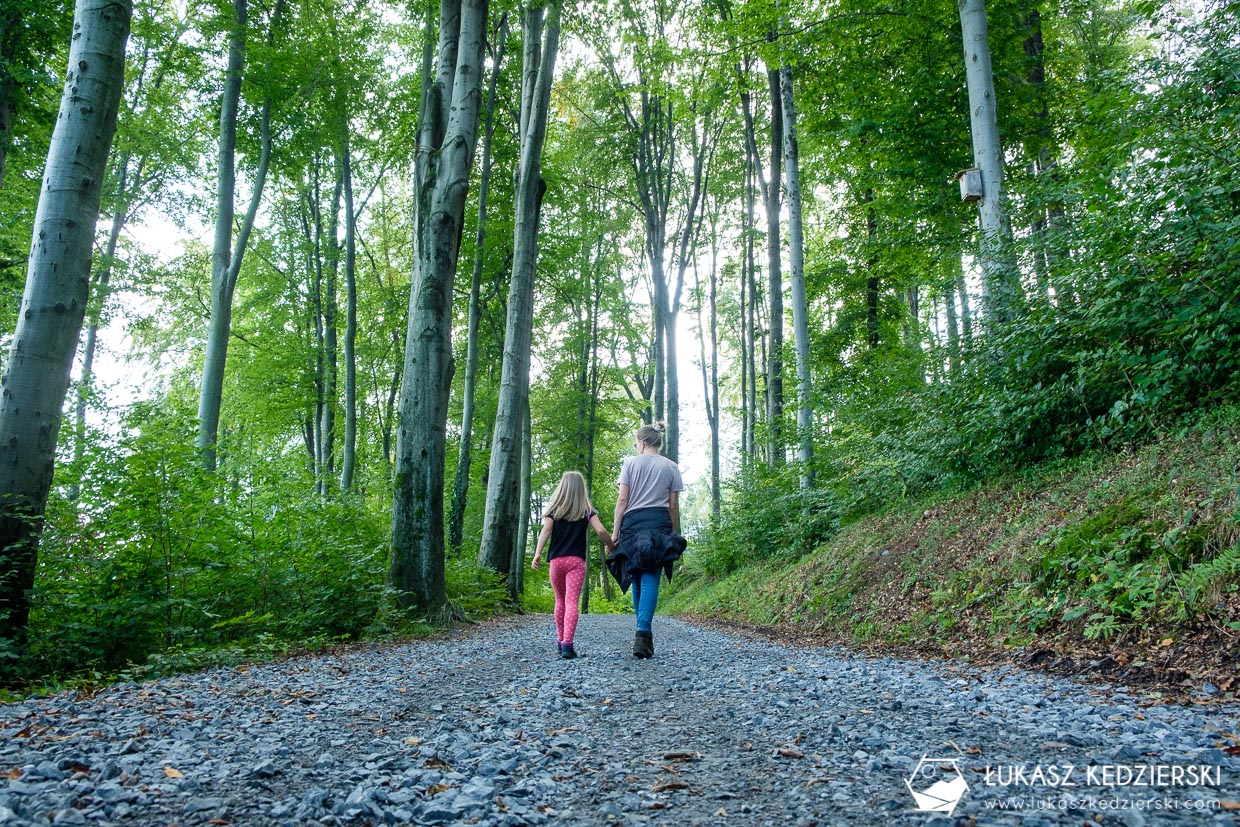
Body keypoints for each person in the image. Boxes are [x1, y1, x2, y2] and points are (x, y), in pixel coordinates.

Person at [607, 422, 686, 659]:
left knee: (635, 572)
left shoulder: (630, 464)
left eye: (635, 443)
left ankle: (642, 631)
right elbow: (673, 506)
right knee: (651, 573)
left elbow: (622, 501)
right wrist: (670, 532)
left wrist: (615, 531)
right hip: (659, 521)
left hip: (632, 522)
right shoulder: (672, 467)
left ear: (642, 443)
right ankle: (643, 632)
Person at [532, 471, 614, 659]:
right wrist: (611, 545)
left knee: (559, 600)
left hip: (556, 561)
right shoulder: (586, 509)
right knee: (571, 602)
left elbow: (545, 531)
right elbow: (600, 530)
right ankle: (568, 644)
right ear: (580, 489)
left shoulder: (554, 509)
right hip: (576, 562)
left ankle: (560, 642)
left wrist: (537, 553)